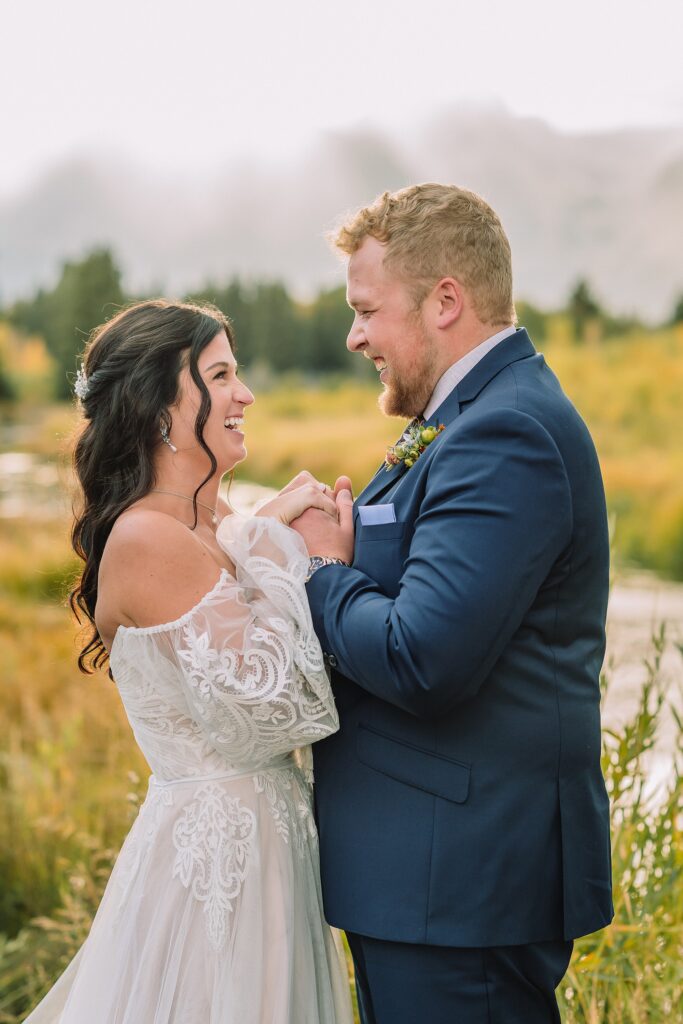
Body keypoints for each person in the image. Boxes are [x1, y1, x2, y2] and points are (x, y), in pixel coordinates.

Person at [294, 184, 614, 1024]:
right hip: (426, 879)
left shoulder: (505, 432)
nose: (354, 334)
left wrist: (323, 573)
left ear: (445, 301)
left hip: (459, 885)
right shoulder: (468, 414)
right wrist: (358, 548)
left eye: (367, 310)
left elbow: (421, 656)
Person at [23, 299, 354, 1024]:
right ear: (158, 411)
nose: (246, 394)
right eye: (220, 374)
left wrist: (259, 531)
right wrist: (305, 556)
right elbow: (272, 712)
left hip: (269, 856)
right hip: (216, 880)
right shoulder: (146, 539)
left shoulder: (217, 524)